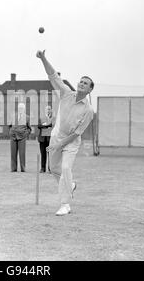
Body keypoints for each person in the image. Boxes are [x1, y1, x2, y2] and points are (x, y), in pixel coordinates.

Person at [36, 49, 94, 216]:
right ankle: (71, 184)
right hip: (56, 137)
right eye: (81, 81)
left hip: (71, 142)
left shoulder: (88, 110)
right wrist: (43, 58)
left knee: (66, 168)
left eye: (86, 83)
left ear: (89, 90)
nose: (82, 84)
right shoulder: (66, 93)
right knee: (54, 168)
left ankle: (65, 204)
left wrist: (61, 144)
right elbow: (53, 76)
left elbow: (77, 133)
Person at [9, 102, 31, 172]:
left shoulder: (27, 117)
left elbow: (29, 128)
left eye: (22, 108)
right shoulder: (13, 116)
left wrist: (25, 134)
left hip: (22, 137)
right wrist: (10, 132)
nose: (20, 109)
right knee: (13, 153)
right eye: (19, 108)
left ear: (24, 109)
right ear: (18, 109)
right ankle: (13, 168)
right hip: (13, 137)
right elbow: (9, 125)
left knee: (22, 153)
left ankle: (23, 168)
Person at [37, 105, 54, 173]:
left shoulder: (53, 118)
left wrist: (44, 125)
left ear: (51, 110)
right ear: (45, 110)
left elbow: (52, 125)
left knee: (50, 155)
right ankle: (42, 168)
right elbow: (39, 126)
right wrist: (47, 125)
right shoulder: (41, 118)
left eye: (49, 109)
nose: (48, 110)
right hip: (42, 139)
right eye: (47, 109)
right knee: (43, 154)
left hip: (50, 139)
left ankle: (50, 168)